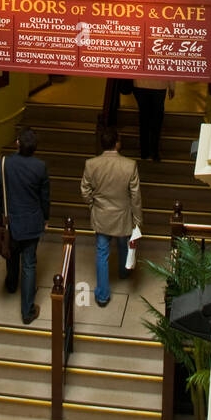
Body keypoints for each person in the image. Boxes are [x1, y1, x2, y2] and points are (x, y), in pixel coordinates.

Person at [0, 127, 50, 325]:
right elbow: (44, 198)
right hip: (32, 221)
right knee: (29, 264)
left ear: (17, 143)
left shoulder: (2, 164)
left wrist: (5, 210)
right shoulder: (40, 167)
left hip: (11, 220)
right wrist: (45, 217)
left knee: (11, 252)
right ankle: (27, 311)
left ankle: (11, 284)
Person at [80, 125, 142, 307]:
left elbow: (85, 190)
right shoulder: (129, 165)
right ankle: (124, 271)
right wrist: (138, 220)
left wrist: (93, 205)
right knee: (123, 243)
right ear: (117, 144)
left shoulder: (91, 164)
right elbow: (135, 196)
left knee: (102, 252)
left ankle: (102, 295)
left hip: (101, 214)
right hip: (122, 214)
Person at [132, 76, 175, 161]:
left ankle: (144, 151)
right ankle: (154, 152)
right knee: (157, 121)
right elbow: (170, 65)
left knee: (143, 119)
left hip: (140, 83)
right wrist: (172, 86)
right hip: (159, 84)